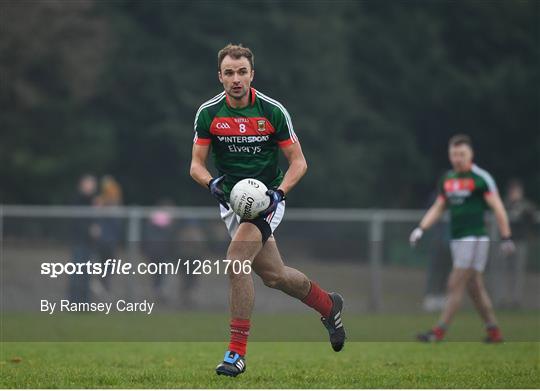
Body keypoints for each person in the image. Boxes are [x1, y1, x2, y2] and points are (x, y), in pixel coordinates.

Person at [190, 44, 346, 377]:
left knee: (236, 260)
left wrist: (277, 194)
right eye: (229, 73)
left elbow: (299, 162)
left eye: (242, 72)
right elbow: (196, 165)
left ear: (252, 75)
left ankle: (236, 353)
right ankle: (328, 305)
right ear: (220, 76)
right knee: (274, 276)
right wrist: (212, 184)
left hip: (266, 201)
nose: (236, 79)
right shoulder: (209, 113)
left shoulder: (272, 111)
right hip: (233, 204)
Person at [409, 134, 515, 343]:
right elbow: (439, 207)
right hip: (458, 239)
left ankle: (438, 331)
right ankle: (494, 331)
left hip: (474, 238)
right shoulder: (448, 179)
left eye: (462, 154)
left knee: (454, 282)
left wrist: (506, 236)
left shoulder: (480, 178)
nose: (457, 158)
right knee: (475, 288)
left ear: (470, 155)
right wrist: (421, 228)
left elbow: (498, 208)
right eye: (454, 154)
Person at [501, 179, 537, 307]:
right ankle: (504, 298)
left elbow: (534, 217)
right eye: (513, 191)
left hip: (520, 242)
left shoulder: (526, 206)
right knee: (505, 270)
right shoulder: (505, 205)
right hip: (507, 241)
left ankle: (516, 299)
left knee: (518, 271)